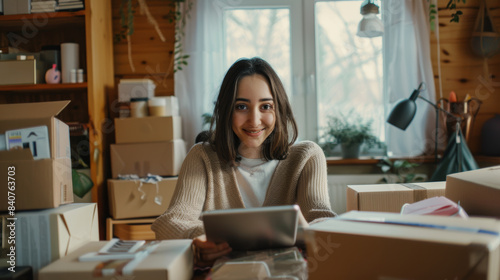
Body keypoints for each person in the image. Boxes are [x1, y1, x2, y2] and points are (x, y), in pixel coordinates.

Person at [151, 57, 335, 266]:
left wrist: (310, 231)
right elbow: (170, 222)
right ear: (227, 110)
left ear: (279, 109)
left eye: (266, 106)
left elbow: (322, 216)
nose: (254, 120)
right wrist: (201, 238)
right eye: (241, 106)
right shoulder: (202, 156)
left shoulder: (307, 156)